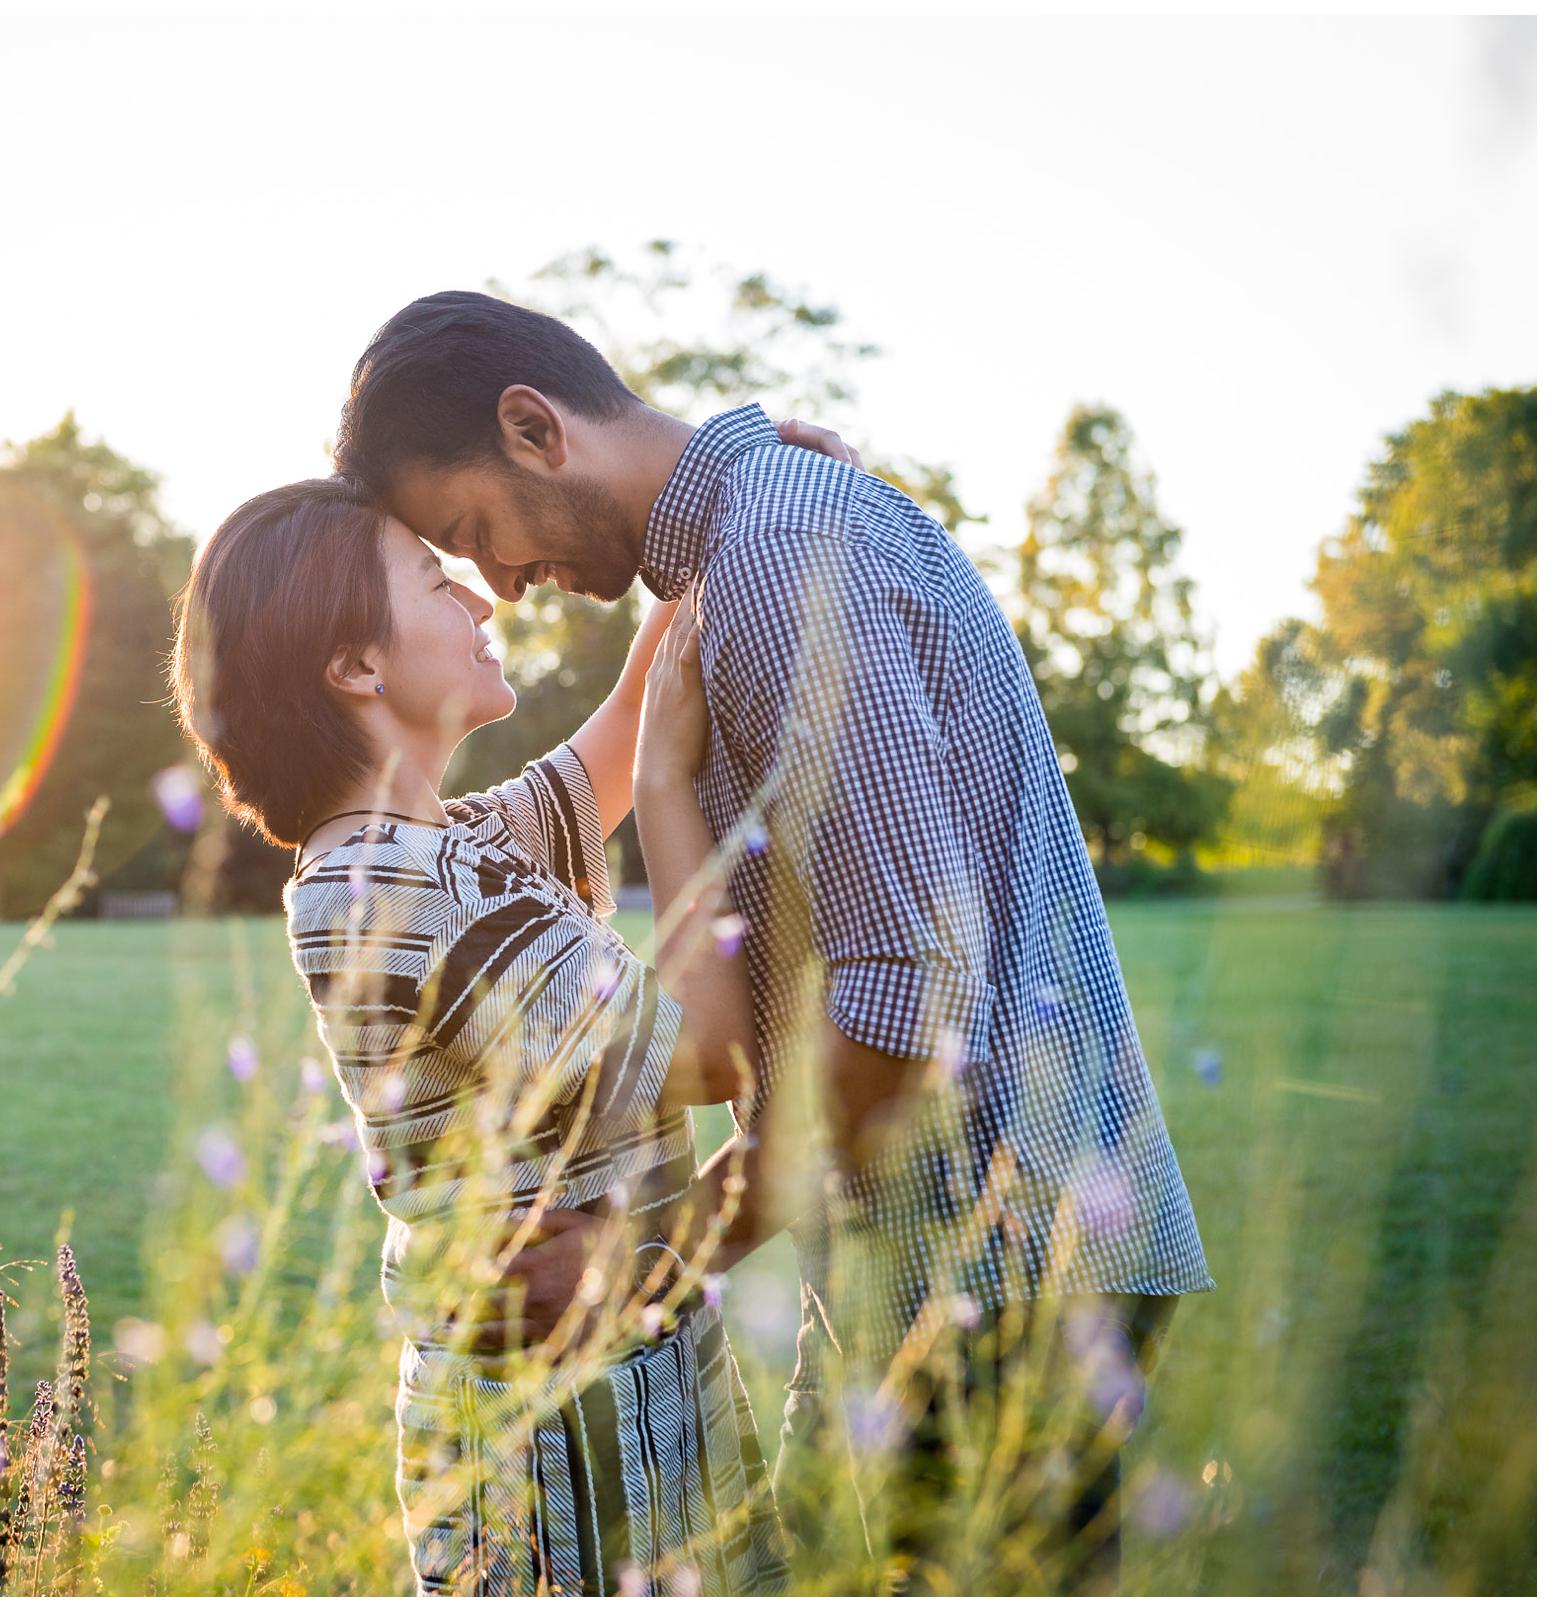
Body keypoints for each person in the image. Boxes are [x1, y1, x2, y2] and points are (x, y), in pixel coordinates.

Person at [331, 291, 1216, 1593]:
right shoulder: (758, 547)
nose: (503, 585)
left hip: (1004, 1266)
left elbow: (903, 1006)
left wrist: (652, 1256)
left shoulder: (780, 554)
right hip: (929, 1256)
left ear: (533, 428)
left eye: (477, 535)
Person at [166, 474, 838, 1594]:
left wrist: (749, 500)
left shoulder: (455, 846)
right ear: (357, 666)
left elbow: (626, 718)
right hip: (561, 1433)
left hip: (618, 1381)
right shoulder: (397, 890)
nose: (483, 602)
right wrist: (672, 785)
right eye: (437, 582)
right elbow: (705, 1050)